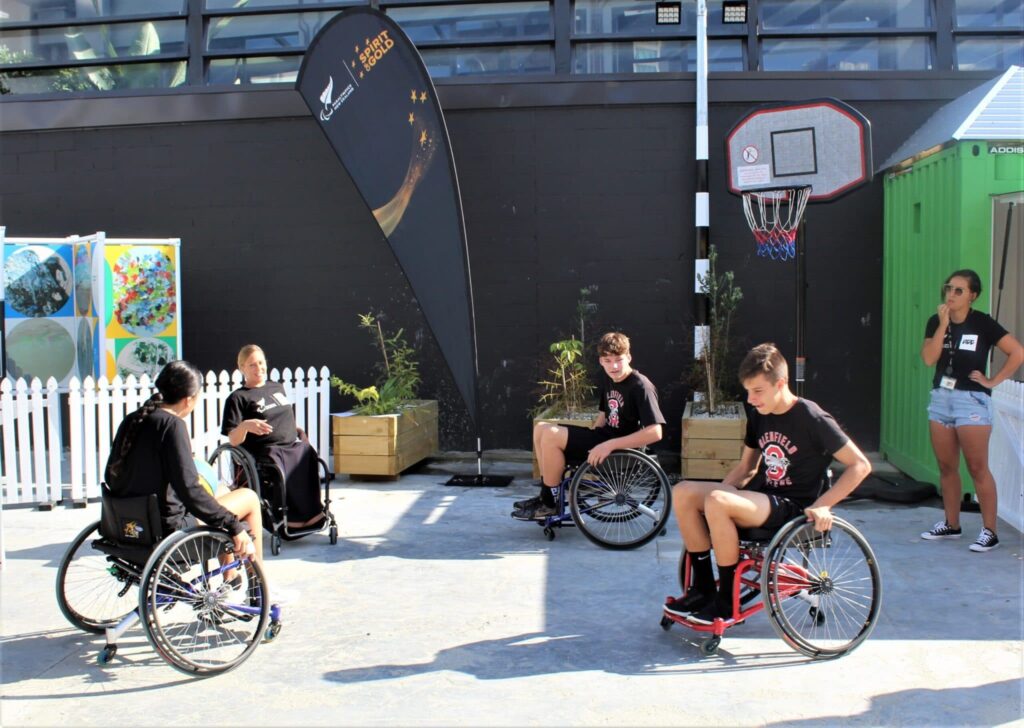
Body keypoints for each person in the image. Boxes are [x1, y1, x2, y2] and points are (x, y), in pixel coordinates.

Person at [664, 343, 871, 625]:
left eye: (757, 391)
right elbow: (746, 467)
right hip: (761, 498)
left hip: (793, 507)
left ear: (781, 384)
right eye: (748, 391)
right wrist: (718, 494)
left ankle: (725, 601)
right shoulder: (759, 415)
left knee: (717, 501)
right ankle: (701, 590)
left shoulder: (811, 417)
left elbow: (861, 465)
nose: (750, 399)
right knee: (684, 491)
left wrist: (822, 506)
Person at [104, 360, 263, 567]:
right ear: (189, 400)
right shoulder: (173, 425)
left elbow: (112, 475)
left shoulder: (133, 419)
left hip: (127, 522)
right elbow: (190, 490)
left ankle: (230, 577)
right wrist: (234, 526)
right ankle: (259, 586)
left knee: (222, 490)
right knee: (249, 498)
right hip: (165, 530)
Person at [919, 269, 1023, 553]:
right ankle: (951, 524)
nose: (950, 295)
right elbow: (929, 358)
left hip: (971, 400)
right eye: (948, 288)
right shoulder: (935, 321)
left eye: (958, 291)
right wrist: (942, 325)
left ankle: (990, 531)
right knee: (946, 466)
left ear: (972, 296)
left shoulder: (983, 323)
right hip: (941, 397)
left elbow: (1017, 352)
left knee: (977, 467)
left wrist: (992, 381)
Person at [513, 331, 665, 521]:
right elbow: (603, 415)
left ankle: (549, 505)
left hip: (619, 451)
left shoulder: (640, 386)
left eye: (618, 359)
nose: (614, 366)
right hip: (602, 438)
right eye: (607, 360)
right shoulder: (610, 380)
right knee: (541, 427)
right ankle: (547, 495)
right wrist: (586, 440)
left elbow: (655, 432)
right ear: (601, 361)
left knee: (551, 434)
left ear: (629, 357)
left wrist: (608, 445)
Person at [221, 344, 325, 529]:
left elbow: (284, 419)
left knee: (309, 453)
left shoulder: (277, 387)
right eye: (252, 364)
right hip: (267, 451)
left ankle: (313, 512)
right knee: (282, 464)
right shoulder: (238, 398)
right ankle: (289, 517)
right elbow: (233, 439)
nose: (258, 368)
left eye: (261, 363)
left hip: (292, 444)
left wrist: (298, 432)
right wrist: (246, 425)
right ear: (242, 368)